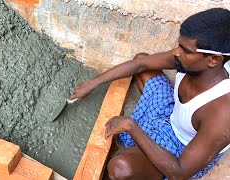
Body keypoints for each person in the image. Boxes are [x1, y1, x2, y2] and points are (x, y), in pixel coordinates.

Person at [69, 8, 230, 179]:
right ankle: (143, 147)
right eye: (179, 45)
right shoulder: (189, 62)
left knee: (121, 169)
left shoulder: (222, 113)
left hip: (181, 148)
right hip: (171, 114)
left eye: (186, 50)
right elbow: (142, 64)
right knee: (141, 58)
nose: (176, 52)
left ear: (214, 60)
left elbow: (179, 172)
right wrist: (93, 82)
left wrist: (131, 127)